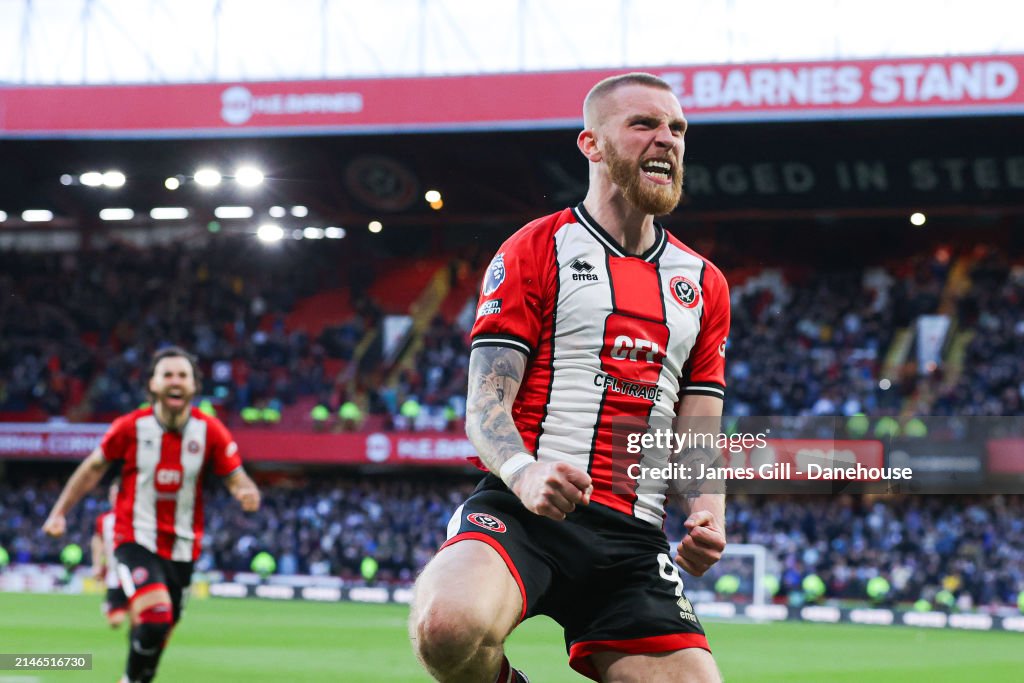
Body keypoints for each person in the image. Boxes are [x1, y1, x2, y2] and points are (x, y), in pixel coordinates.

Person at [410, 73, 730, 683]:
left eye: (678, 129)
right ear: (592, 144)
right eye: (644, 124)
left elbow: (698, 431)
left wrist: (708, 510)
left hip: (632, 539)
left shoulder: (704, 283)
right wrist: (524, 472)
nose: (667, 139)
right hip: (524, 512)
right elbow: (484, 407)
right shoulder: (536, 248)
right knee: (447, 627)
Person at [43, 346, 261, 683]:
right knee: (156, 616)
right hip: (135, 538)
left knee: (159, 633)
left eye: (183, 376)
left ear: (194, 386)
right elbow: (91, 469)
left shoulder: (210, 432)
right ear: (153, 385)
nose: (175, 381)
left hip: (183, 548)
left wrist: (246, 491)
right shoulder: (130, 428)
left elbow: (236, 476)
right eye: (168, 375)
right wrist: (59, 513)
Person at [92, 480, 128, 628]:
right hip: (114, 574)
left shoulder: (134, 517)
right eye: (111, 494)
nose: (113, 497)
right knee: (115, 621)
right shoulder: (104, 520)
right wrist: (97, 564)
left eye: (117, 493)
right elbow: (98, 541)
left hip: (135, 572)